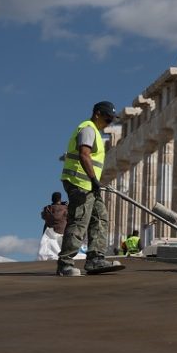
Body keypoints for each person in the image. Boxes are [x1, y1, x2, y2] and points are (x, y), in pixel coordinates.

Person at [56, 101, 122, 277]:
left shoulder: (96, 133)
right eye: (108, 118)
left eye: (112, 120)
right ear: (98, 113)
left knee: (100, 217)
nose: (110, 122)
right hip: (79, 183)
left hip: (90, 185)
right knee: (79, 221)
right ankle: (65, 264)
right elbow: (84, 154)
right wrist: (93, 178)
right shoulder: (88, 129)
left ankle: (95, 258)